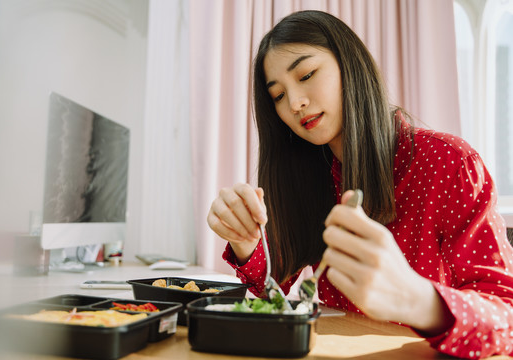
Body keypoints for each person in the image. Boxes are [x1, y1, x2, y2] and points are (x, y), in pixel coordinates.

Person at [206, 10, 513, 359]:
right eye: (277, 95)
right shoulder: (309, 173)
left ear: (350, 64)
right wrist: (246, 243)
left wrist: (419, 300)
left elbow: (505, 315)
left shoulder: (449, 163)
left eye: (306, 74)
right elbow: (274, 290)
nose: (294, 103)